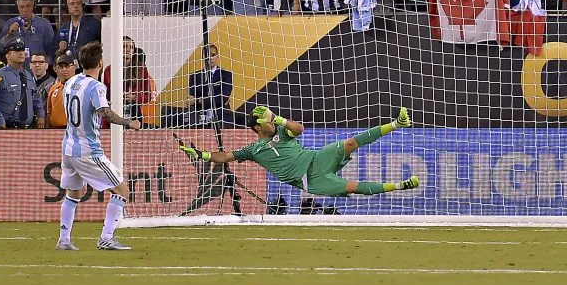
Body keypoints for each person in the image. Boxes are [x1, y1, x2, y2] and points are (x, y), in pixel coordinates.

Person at [179, 106, 420, 197]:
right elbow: (226, 157)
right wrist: (203, 155)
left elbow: (299, 128)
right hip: (309, 180)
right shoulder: (253, 149)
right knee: (352, 187)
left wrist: (278, 119)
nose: (269, 121)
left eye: (268, 118)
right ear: (256, 127)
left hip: (315, 158)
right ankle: (400, 186)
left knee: (349, 143)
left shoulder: (281, 131)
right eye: (265, 120)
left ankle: (396, 124)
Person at [57, 41, 142, 251]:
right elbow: (104, 112)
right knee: (121, 189)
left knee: (73, 193)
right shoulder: (97, 87)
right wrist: (128, 122)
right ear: (101, 63)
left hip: (68, 147)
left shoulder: (71, 81)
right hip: (88, 150)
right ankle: (106, 237)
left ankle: (64, 239)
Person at [0, 36, 44, 129]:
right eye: (16, 51)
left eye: (22, 50)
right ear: (8, 56)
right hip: (8, 128)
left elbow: (36, 98)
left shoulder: (28, 76)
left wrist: (40, 116)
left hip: (29, 129)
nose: (21, 53)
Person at [187, 44, 233, 126]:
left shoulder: (226, 75)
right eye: (207, 55)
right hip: (200, 116)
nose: (210, 58)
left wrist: (199, 100)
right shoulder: (194, 76)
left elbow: (222, 98)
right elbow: (190, 101)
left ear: (217, 56)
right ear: (203, 58)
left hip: (221, 116)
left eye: (213, 55)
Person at [46, 53, 77, 128]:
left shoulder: (82, 87)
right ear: (55, 69)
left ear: (74, 67)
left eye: (67, 66)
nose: (64, 70)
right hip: (55, 131)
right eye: (60, 67)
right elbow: (49, 112)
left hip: (75, 131)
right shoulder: (53, 88)